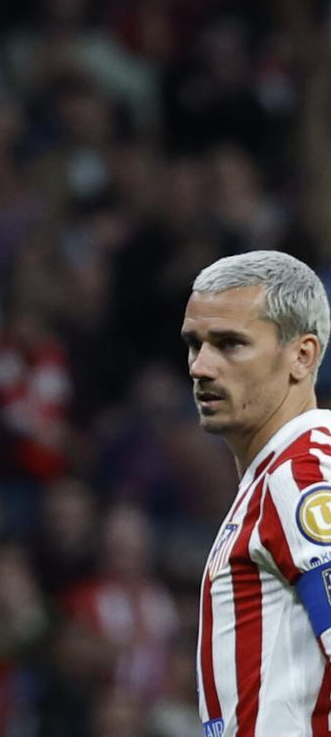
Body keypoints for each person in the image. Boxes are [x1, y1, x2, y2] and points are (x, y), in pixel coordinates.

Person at [182, 250, 331, 736]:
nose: (200, 367)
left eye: (230, 344)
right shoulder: (281, 472)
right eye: (194, 344)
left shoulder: (303, 475)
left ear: (302, 356)